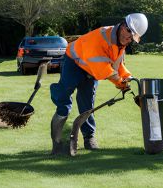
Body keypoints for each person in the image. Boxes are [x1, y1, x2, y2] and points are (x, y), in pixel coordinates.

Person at [49, 13, 148, 154]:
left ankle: (89, 138)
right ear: (122, 25)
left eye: (133, 37)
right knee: (64, 100)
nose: (128, 38)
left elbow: (117, 65)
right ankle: (58, 141)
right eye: (128, 32)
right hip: (74, 63)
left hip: (91, 70)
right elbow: (103, 70)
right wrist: (120, 83)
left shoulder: (121, 44)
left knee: (87, 104)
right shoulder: (100, 38)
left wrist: (128, 77)